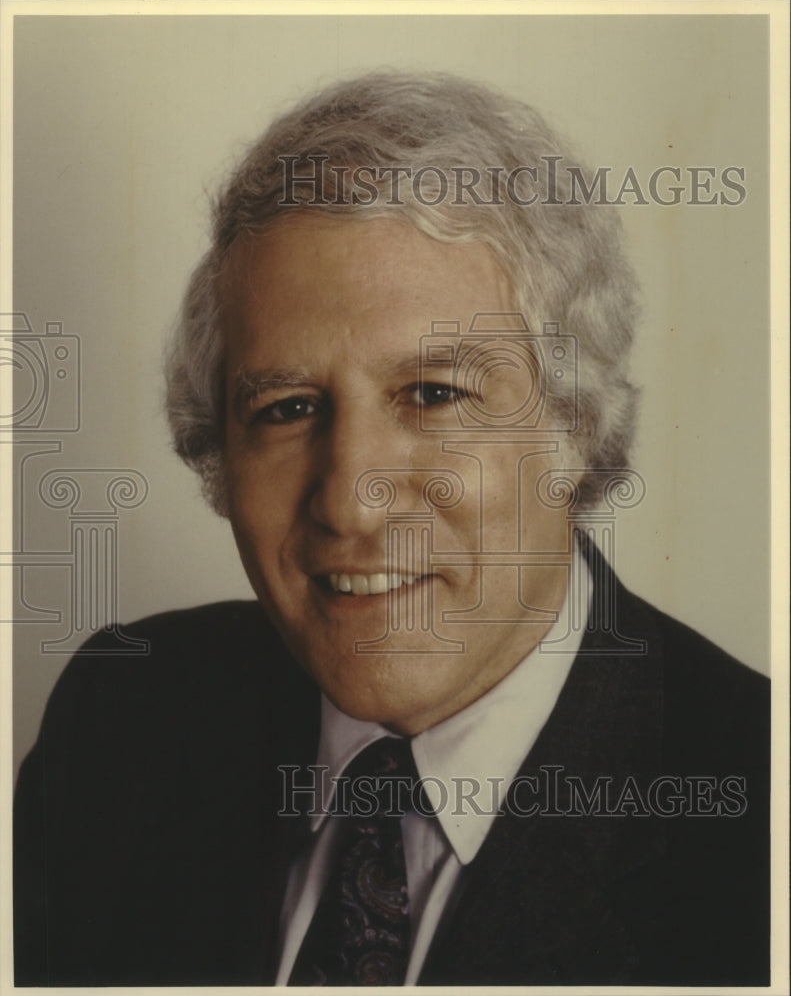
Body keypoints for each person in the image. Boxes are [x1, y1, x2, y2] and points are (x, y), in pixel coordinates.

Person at [14, 72, 769, 986]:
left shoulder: (758, 824)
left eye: (433, 394)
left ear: (573, 424)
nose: (350, 501)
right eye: (288, 408)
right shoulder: (123, 724)